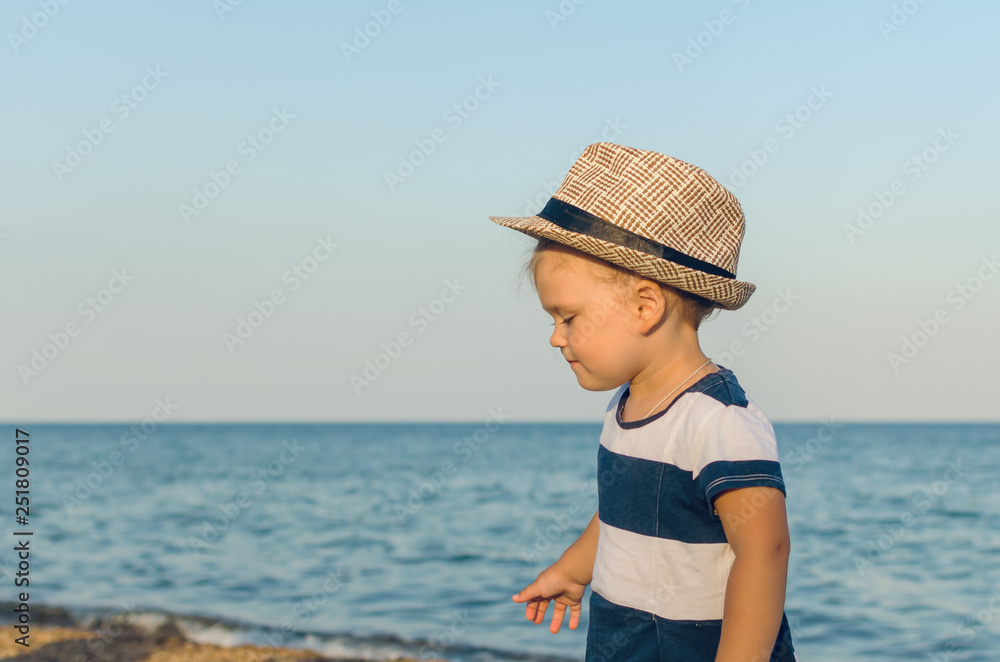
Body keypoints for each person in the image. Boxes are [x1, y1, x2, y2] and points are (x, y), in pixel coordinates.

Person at [487, 142, 797, 661]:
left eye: (568, 318)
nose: (555, 338)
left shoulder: (718, 421)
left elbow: (765, 550)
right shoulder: (628, 405)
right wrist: (573, 568)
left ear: (645, 306)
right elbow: (625, 507)